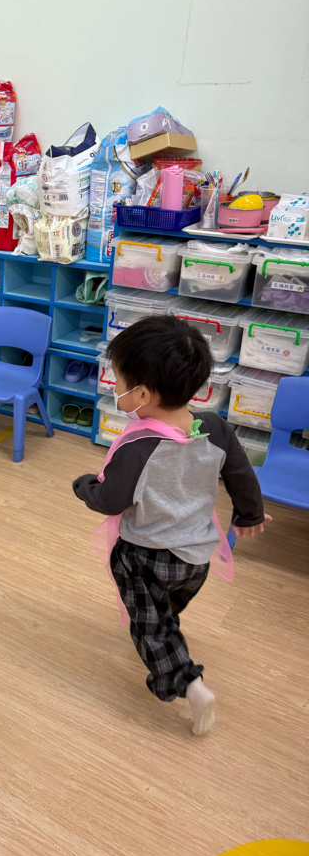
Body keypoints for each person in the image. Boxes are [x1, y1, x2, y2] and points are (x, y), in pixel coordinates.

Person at [72, 315, 267, 735]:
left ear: (142, 394)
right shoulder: (214, 428)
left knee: (151, 625)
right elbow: (240, 473)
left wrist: (84, 485)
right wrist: (249, 513)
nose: (114, 386)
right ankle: (162, 634)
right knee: (165, 611)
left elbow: (110, 500)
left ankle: (188, 682)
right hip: (197, 557)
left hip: (144, 557)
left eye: (118, 380)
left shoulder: (138, 446)